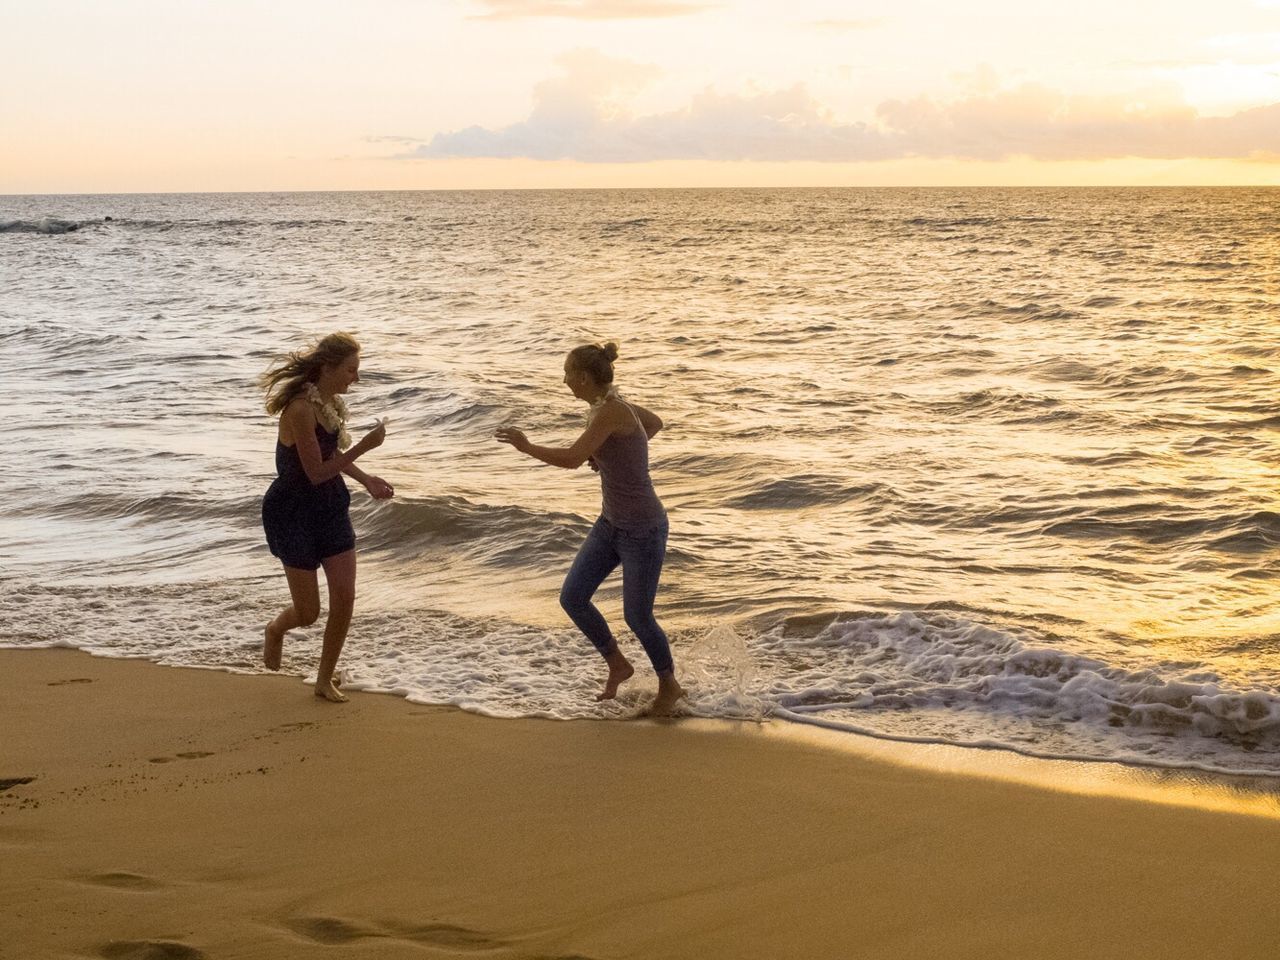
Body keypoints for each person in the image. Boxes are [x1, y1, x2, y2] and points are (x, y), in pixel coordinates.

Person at [495, 341, 684, 715]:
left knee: (638, 616)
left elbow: (570, 459)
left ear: (583, 378)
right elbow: (654, 424)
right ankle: (618, 664)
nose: (564, 381)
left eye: (567, 374)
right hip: (610, 524)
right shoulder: (610, 409)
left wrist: (526, 446)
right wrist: (609, 454)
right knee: (573, 598)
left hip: (643, 529)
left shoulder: (612, 411)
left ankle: (670, 686)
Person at [259, 332, 393, 702]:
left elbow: (331, 457)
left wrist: (367, 480)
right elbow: (316, 471)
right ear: (328, 368)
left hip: (330, 507)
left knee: (345, 597)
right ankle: (275, 629)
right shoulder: (301, 409)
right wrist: (365, 446)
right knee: (308, 612)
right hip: (294, 512)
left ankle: (323, 679)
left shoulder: (328, 403)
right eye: (351, 370)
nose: (357, 378)